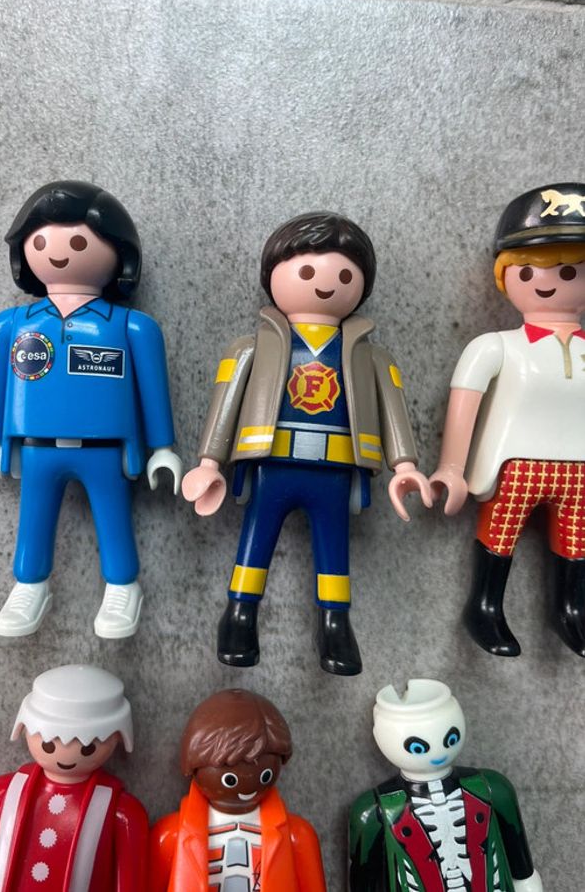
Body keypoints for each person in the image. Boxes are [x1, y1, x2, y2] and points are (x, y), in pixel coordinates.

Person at [182, 211, 431, 674]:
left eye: (343, 275)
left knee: (333, 545)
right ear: (272, 276)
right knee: (256, 537)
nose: (325, 284)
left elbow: (393, 408)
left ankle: (335, 622)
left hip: (335, 468)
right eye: (308, 270)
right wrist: (209, 462)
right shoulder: (251, 347)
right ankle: (240, 613)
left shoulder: (371, 356)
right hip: (272, 461)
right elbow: (225, 402)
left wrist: (406, 465)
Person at [0, 181, 181, 638]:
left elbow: (153, 390)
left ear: (120, 252)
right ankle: (29, 584)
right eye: (40, 242)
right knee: (34, 517)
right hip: (37, 446)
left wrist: (163, 448)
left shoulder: (132, 327)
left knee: (113, 515)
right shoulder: (11, 325)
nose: (58, 253)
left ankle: (122, 586)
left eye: (79, 243)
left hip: (104, 448)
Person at [430, 182, 585, 657]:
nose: (547, 282)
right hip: (514, 464)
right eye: (528, 269)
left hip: (579, 469)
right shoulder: (495, 347)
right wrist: (451, 468)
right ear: (505, 275)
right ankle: (485, 605)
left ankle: (571, 609)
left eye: (568, 270)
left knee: (577, 541)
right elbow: (465, 404)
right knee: (500, 532)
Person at [0, 665, 148, 892]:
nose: (66, 756)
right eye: (48, 744)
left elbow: (131, 881)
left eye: (87, 748)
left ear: (117, 737)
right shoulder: (2, 793)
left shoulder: (122, 812)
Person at [348, 679, 542, 892]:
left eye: (450, 738)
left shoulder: (493, 789)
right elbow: (364, 882)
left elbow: (523, 870)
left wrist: (528, 884)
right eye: (418, 747)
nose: (437, 754)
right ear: (380, 736)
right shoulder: (373, 811)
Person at [149, 688, 326, 892]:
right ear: (193, 764)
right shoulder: (170, 834)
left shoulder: (298, 835)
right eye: (230, 779)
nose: (246, 785)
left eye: (265, 775)